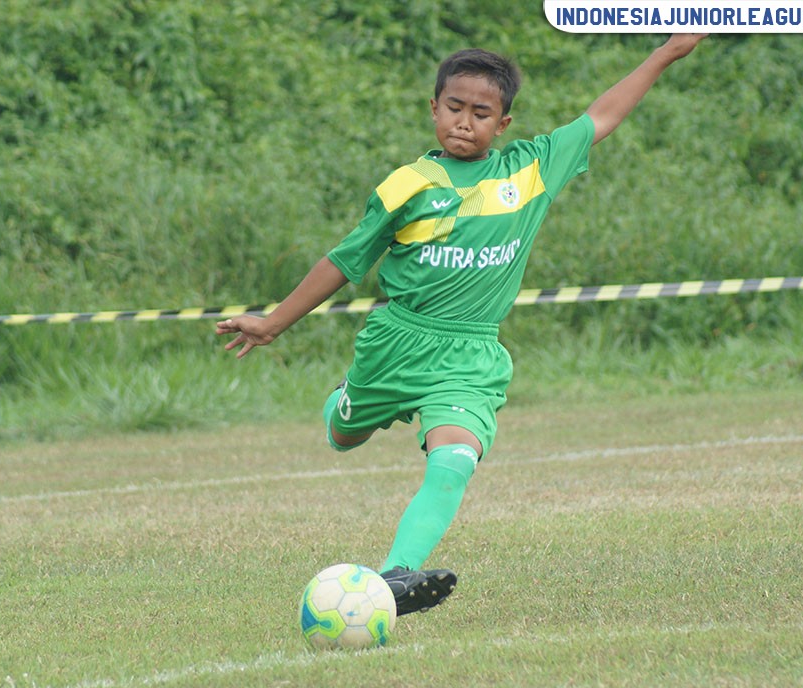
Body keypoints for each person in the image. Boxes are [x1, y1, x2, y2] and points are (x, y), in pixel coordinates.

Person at [217, 34, 706, 616]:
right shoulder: (409, 185)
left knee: (455, 459)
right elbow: (344, 262)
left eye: (481, 114)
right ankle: (345, 403)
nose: (465, 123)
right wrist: (273, 324)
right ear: (433, 109)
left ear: (503, 123)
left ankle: (395, 576)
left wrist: (665, 54)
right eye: (454, 108)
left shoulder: (530, 170)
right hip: (396, 343)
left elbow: (602, 115)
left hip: (470, 355)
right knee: (341, 438)